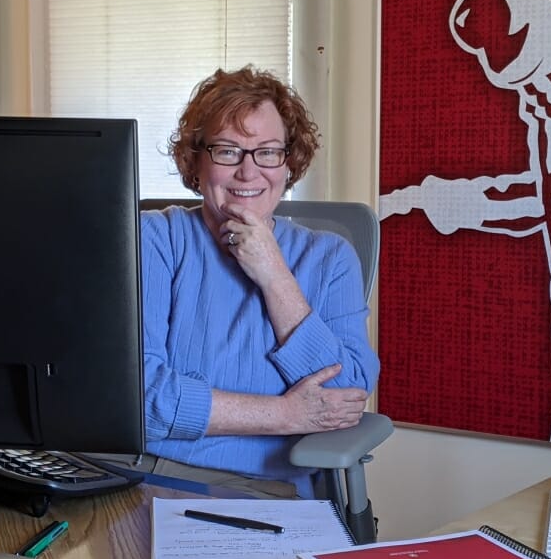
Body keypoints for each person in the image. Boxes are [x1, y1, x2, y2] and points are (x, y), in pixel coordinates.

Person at [136, 65, 380, 498]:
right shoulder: (154, 239)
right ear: (196, 162)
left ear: (290, 162)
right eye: (228, 151)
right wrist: (285, 415)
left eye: (267, 152)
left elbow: (345, 398)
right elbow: (140, 398)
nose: (249, 173)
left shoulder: (330, 257)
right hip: (143, 476)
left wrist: (275, 276)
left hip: (268, 490)